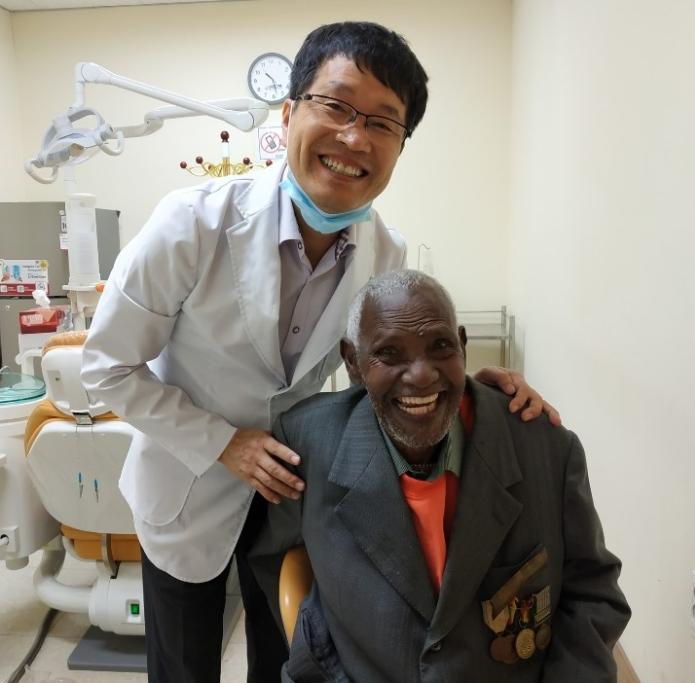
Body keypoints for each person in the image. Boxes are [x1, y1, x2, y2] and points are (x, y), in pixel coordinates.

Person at [81, 22, 559, 683]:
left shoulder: (384, 251)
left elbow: (386, 373)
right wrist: (224, 443)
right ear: (288, 114)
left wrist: (475, 390)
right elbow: (106, 368)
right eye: (335, 106)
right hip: (186, 484)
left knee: (287, 658)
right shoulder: (191, 224)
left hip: (292, 494)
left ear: (399, 145)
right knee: (183, 665)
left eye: (382, 122)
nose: (355, 138)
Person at [250, 270, 630, 683]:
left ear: (463, 347)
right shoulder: (306, 443)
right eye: (389, 353)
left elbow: (592, 591)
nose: (421, 375)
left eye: (441, 346)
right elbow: (276, 564)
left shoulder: (545, 448)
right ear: (353, 362)